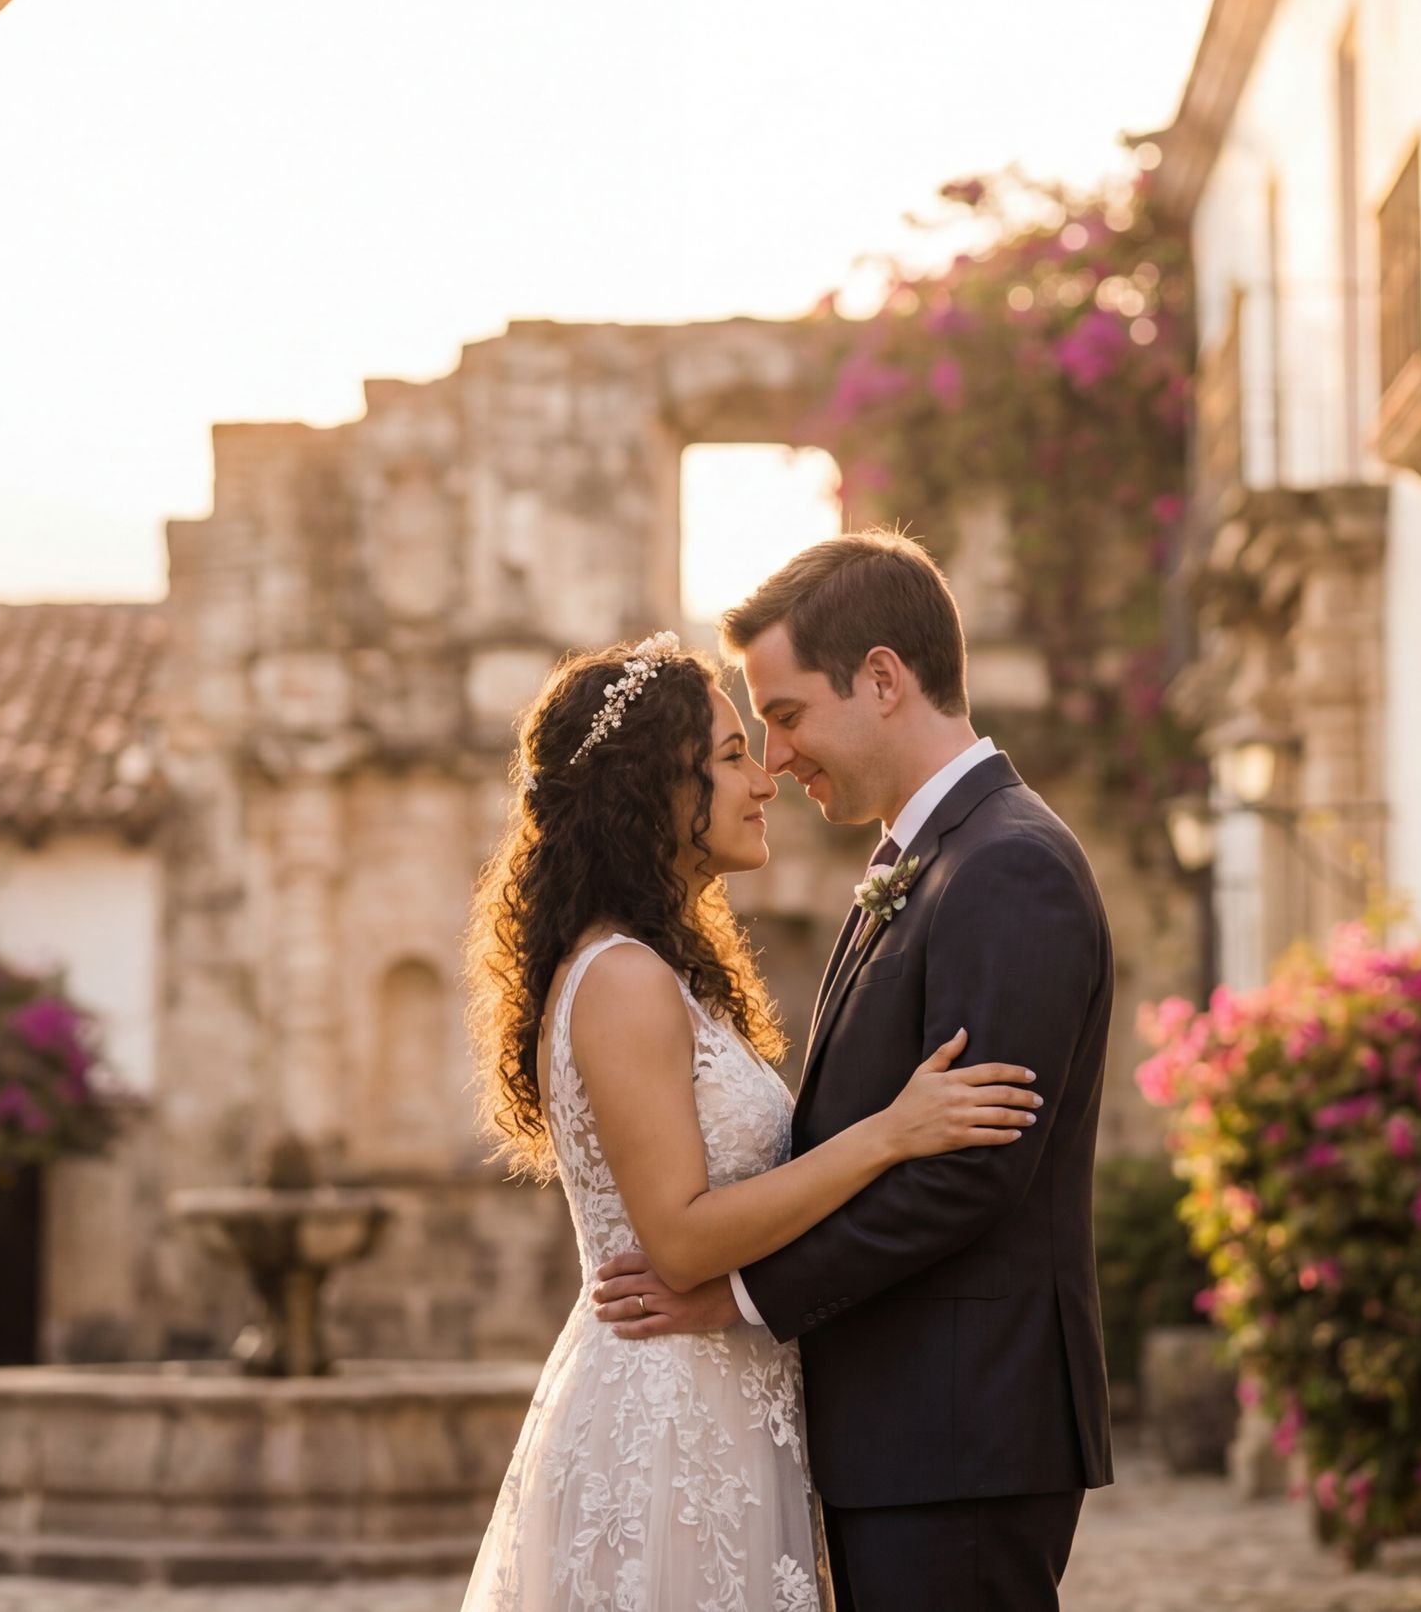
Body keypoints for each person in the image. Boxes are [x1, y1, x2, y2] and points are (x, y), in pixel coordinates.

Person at [460, 628, 1042, 1611]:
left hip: (724, 1403)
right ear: (650, 789)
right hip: (668, 1420)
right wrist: (893, 1132)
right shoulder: (623, 981)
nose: (766, 777)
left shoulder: (655, 974)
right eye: (731, 756)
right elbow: (681, 1242)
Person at [588, 530, 1115, 1612]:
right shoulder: (922, 861)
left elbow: (971, 1170)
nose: (775, 761)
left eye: (783, 718)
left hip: (958, 1431)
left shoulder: (1007, 865)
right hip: (910, 1429)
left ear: (882, 679)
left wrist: (735, 1296)